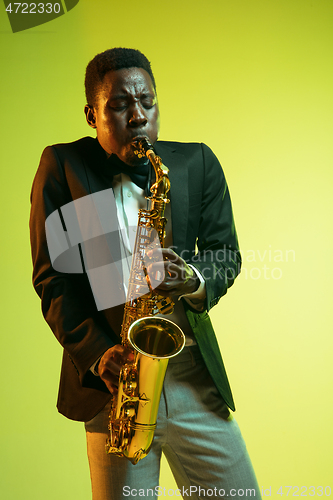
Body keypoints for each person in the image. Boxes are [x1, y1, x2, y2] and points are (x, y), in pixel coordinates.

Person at [30, 47, 261, 499]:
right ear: (92, 114)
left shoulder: (196, 162)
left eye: (147, 102)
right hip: (115, 383)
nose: (138, 115)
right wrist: (100, 356)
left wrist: (191, 277)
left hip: (193, 374)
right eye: (119, 105)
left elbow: (224, 254)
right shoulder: (65, 167)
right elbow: (54, 280)